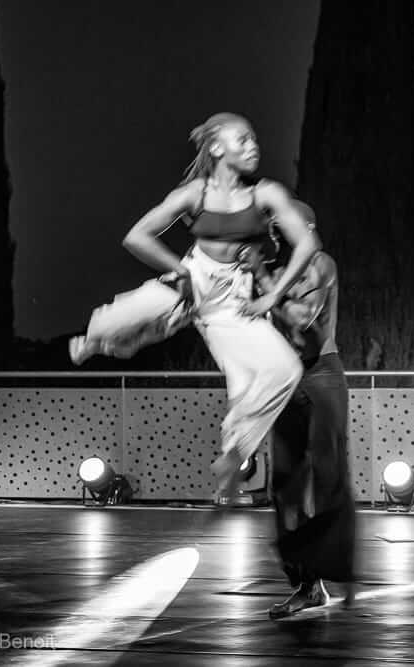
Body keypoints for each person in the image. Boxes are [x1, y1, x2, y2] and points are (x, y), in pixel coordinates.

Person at [70, 112, 320, 497]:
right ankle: (94, 342)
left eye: (255, 140)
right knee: (119, 319)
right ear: (218, 148)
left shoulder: (266, 193)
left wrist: (271, 295)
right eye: (244, 140)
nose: (254, 146)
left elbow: (307, 244)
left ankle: (234, 453)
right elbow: (137, 237)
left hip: (232, 301)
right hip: (192, 278)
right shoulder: (195, 194)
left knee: (284, 370)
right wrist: (180, 273)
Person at [240, 204, 357, 619]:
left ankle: (337, 567)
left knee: (327, 479)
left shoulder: (320, 264)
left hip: (321, 375)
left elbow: (304, 321)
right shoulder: (271, 269)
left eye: (281, 224)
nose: (274, 230)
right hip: (285, 382)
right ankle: (307, 585)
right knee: (285, 487)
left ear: (305, 227)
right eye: (272, 226)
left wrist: (260, 276)